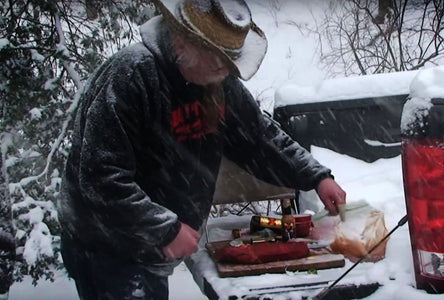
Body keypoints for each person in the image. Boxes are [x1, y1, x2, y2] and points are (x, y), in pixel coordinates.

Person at [58, 0, 347, 299]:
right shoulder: (131, 77)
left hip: (150, 243)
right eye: (218, 61)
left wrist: (315, 176)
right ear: (182, 44)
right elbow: (100, 177)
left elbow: (259, 137)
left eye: (230, 61)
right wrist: (164, 229)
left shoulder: (217, 82)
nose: (225, 71)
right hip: (107, 244)